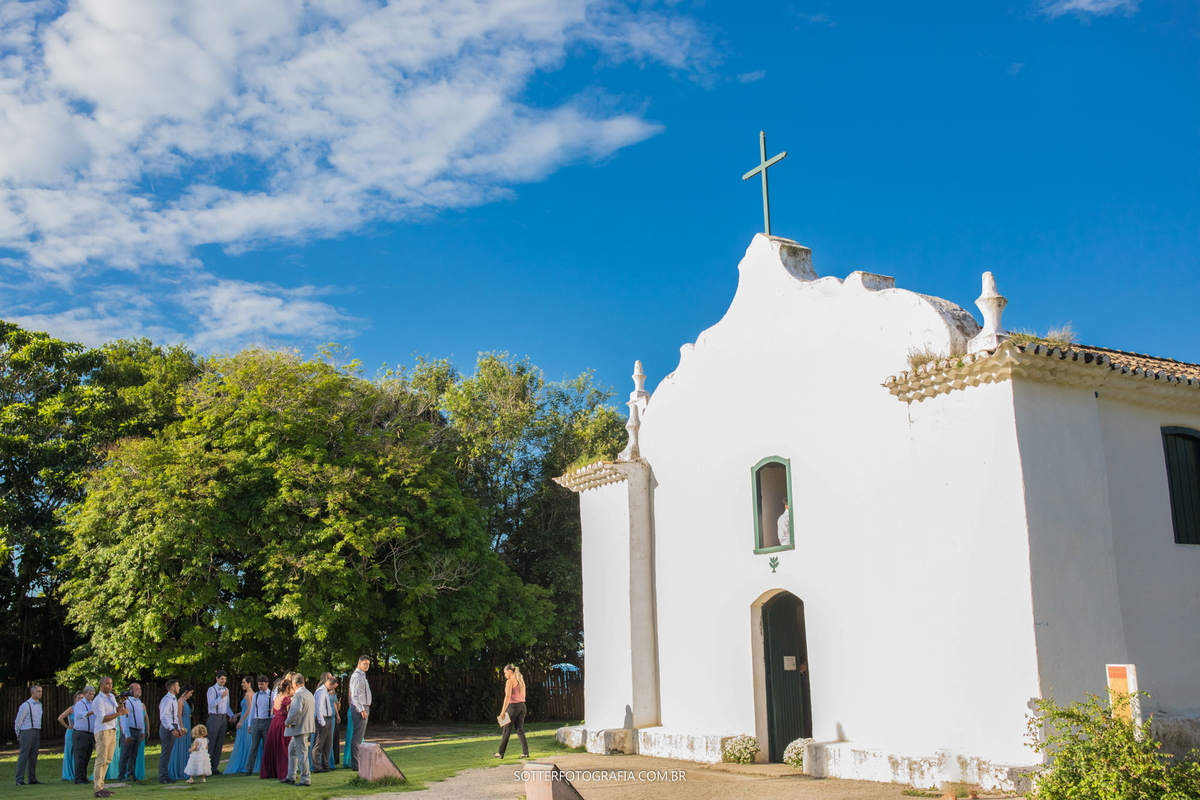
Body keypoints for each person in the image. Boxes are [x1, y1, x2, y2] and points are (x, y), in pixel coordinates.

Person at [91, 676, 128, 798]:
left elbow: (115, 710)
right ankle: (97, 788)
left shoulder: (111, 697)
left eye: (111, 683)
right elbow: (102, 718)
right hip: (103, 731)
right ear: (101, 685)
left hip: (112, 729)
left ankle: (102, 786)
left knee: (108, 760)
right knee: (101, 759)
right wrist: (119, 713)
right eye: (107, 683)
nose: (110, 686)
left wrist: (121, 704)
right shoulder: (98, 700)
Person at [283, 673, 315, 786]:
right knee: (291, 749)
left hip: (300, 727)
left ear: (295, 683)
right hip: (306, 726)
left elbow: (296, 710)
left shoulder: (299, 694)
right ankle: (290, 776)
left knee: (301, 754)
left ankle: (305, 779)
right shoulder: (309, 693)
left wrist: (288, 722)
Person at [260, 674, 294, 779]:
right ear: (288, 688)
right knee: (284, 747)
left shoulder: (277, 698)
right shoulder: (287, 699)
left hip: (274, 722)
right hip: (283, 723)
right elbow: (290, 714)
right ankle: (284, 771)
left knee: (274, 746)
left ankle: (271, 771)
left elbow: (273, 711)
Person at [493, 664, 529, 760]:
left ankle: (501, 753)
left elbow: (508, 697)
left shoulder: (510, 681)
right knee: (519, 730)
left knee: (506, 730)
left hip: (513, 707)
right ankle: (526, 753)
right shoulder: (521, 681)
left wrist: (502, 711)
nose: (504, 675)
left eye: (505, 673)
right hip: (522, 706)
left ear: (510, 671)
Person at [222, 676, 254, 774]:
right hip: (245, 717)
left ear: (249, 683)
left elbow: (249, 709)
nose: (242, 684)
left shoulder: (249, 694)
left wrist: (240, 721)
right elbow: (245, 710)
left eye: (244, 682)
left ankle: (245, 764)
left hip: (246, 720)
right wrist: (236, 715)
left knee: (245, 742)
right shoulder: (250, 694)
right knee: (244, 742)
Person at [14, 685, 43, 786]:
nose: (40, 693)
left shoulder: (39, 705)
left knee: (34, 755)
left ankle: (32, 778)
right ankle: (19, 779)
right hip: (26, 731)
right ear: (32, 692)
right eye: (38, 691)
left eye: (41, 691)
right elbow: (18, 721)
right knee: (24, 755)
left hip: (36, 730)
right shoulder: (25, 705)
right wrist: (18, 733)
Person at [242, 675, 271, 776]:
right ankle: (249, 769)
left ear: (267, 684)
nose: (260, 686)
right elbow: (252, 710)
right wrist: (250, 724)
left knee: (266, 747)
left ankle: (266, 768)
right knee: (254, 747)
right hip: (257, 721)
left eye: (262, 684)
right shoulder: (256, 696)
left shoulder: (271, 695)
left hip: (267, 721)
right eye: (259, 684)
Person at [117, 683, 146, 782]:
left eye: (140, 689)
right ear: (131, 691)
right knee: (125, 754)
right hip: (130, 729)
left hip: (138, 730)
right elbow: (124, 718)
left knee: (134, 754)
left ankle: (131, 774)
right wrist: (127, 734)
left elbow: (141, 717)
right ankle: (121, 775)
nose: (139, 690)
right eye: (137, 689)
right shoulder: (127, 702)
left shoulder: (139, 702)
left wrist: (142, 731)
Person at [206, 670, 233, 773]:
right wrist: (221, 697)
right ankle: (207, 766)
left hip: (223, 717)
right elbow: (211, 704)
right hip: (214, 716)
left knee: (220, 742)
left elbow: (227, 706)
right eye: (221, 679)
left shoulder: (226, 689)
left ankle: (214, 767)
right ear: (217, 679)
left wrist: (231, 715)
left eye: (225, 679)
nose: (223, 681)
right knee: (212, 742)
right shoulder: (212, 690)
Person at [348, 655, 372, 770]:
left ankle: (358, 761)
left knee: (360, 736)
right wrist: (361, 709)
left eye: (368, 664)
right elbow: (355, 695)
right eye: (365, 664)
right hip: (359, 708)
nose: (367, 666)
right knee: (357, 736)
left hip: (364, 706)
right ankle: (355, 763)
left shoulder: (363, 676)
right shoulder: (357, 676)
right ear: (359, 664)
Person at [157, 679, 182, 784]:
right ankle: (163, 777)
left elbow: (175, 715)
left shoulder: (174, 699)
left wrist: (179, 728)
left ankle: (166, 775)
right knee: (166, 752)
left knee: (169, 752)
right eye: (177, 686)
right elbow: (163, 717)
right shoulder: (166, 700)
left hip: (173, 726)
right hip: (167, 728)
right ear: (172, 687)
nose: (179, 688)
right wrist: (172, 729)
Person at [168, 685, 194, 781]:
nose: (191, 695)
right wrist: (181, 727)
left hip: (187, 723)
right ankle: (178, 770)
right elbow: (178, 715)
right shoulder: (180, 701)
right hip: (183, 723)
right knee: (179, 746)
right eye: (190, 693)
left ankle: (186, 769)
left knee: (186, 747)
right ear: (186, 691)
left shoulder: (186, 702)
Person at [72, 685, 96, 785]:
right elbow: (78, 715)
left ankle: (84, 776)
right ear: (85, 693)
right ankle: (78, 778)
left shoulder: (93, 704)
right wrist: (90, 712)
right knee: (80, 756)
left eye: (93, 694)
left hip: (90, 733)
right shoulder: (80, 704)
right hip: (81, 733)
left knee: (87, 755)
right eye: (90, 694)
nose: (91, 696)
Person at [311, 673, 335, 773]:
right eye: (333, 686)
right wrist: (322, 722)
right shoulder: (321, 692)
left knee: (328, 743)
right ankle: (316, 765)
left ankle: (325, 764)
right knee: (319, 744)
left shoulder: (325, 691)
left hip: (328, 718)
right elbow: (319, 708)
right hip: (323, 719)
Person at [59, 692, 83, 781]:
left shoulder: (84, 709)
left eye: (82, 698)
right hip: (71, 732)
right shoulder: (71, 709)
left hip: (79, 732)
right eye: (79, 698)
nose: (80, 700)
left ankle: (76, 772)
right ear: (75, 699)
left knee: (77, 753)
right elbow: (60, 718)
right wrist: (68, 726)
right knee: (69, 752)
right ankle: (68, 774)